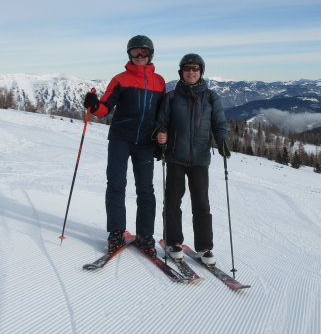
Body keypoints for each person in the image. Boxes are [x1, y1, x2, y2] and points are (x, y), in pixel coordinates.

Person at [83, 35, 165, 257]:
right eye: (134, 52)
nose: (139, 56)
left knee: (146, 190)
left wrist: (161, 138)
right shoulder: (120, 79)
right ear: (129, 55)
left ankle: (145, 236)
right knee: (116, 184)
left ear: (150, 55)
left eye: (143, 52)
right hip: (120, 139)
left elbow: (162, 116)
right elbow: (105, 108)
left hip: (146, 143)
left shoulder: (159, 82)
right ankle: (116, 233)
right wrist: (94, 105)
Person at [156, 53, 230, 265]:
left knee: (201, 203)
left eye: (195, 69)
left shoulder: (211, 97)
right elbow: (161, 123)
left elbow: (219, 124)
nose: (191, 72)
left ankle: (204, 247)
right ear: (181, 72)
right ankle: (173, 243)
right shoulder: (171, 97)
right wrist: (160, 134)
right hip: (175, 157)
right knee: (172, 201)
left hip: (200, 159)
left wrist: (223, 140)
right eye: (187, 68)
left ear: (201, 72)